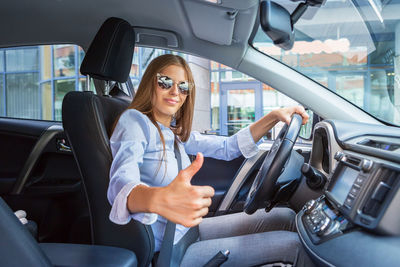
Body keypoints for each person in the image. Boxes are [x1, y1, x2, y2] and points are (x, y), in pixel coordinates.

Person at [107, 54, 313, 266]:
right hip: (171, 251)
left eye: (183, 86)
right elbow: (121, 183)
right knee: (294, 246)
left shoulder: (173, 135)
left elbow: (228, 147)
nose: (175, 92)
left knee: (286, 217)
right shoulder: (134, 121)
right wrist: (157, 199)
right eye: (165, 82)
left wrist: (274, 117)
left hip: (189, 231)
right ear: (150, 83)